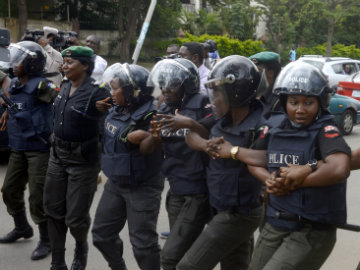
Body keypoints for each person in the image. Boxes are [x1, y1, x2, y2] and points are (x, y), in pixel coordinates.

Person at [246, 61, 351, 270]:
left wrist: (297, 181)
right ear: (284, 101)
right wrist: (270, 180)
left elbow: (339, 168)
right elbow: (256, 159)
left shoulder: (326, 129)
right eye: (294, 102)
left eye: (308, 103)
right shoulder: (274, 126)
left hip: (311, 229)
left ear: (320, 102)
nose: (300, 109)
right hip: (276, 223)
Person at [176, 55, 265, 270]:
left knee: (188, 266)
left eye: (218, 92)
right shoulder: (221, 118)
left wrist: (232, 151)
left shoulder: (261, 124)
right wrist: (207, 145)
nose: (213, 99)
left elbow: (269, 156)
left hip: (240, 212)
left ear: (236, 92)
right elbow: (191, 134)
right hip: (220, 204)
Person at [128, 58, 212, 270]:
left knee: (171, 256)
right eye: (163, 84)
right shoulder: (163, 107)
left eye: (172, 84)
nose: (166, 89)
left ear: (188, 84)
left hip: (198, 190)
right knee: (183, 250)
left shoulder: (202, 103)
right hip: (176, 189)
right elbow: (146, 149)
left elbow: (213, 138)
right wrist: (154, 136)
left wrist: (190, 123)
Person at [43, 46, 110, 270]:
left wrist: (107, 110)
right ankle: (57, 261)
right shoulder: (63, 86)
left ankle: (81, 248)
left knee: (76, 218)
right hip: (57, 156)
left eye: (70, 63)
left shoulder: (98, 91)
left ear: (85, 66)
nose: (64, 66)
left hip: (83, 160)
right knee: (53, 211)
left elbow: (113, 116)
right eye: (64, 62)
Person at [91, 63, 164, 270]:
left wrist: (147, 136)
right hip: (115, 182)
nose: (111, 92)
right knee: (101, 235)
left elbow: (151, 147)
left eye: (115, 88)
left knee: (143, 245)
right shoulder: (116, 108)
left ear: (133, 91)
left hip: (142, 185)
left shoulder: (152, 114)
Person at [0, 41, 58, 260]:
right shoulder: (14, 83)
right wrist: (7, 111)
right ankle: (22, 227)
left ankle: (46, 240)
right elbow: (16, 104)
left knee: (38, 196)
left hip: (38, 149)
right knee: (9, 191)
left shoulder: (43, 86)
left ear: (32, 64)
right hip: (18, 148)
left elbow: (62, 102)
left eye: (20, 61)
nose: (14, 64)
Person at [249, 51, 282, 117]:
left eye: (257, 71)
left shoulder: (280, 100)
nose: (253, 76)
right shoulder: (253, 94)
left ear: (270, 73)